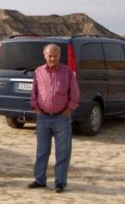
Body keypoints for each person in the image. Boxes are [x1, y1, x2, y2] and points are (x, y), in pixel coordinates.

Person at [28, 43, 80, 193]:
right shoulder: (38, 72)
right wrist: (35, 105)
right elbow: (34, 92)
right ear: (45, 56)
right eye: (50, 56)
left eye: (55, 56)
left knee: (62, 152)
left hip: (61, 118)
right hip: (43, 118)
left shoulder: (68, 72)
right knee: (42, 151)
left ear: (59, 56)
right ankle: (39, 180)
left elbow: (75, 94)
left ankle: (60, 183)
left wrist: (69, 108)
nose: (52, 58)